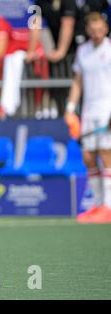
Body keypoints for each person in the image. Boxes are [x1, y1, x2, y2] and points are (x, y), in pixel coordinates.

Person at [64, 13, 111, 224]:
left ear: (106, 28)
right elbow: (77, 82)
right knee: (88, 158)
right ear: (88, 30)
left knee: (107, 155)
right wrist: (70, 109)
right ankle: (98, 205)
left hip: (107, 108)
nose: (96, 33)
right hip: (88, 110)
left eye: (99, 29)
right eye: (92, 29)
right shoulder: (83, 51)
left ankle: (109, 207)